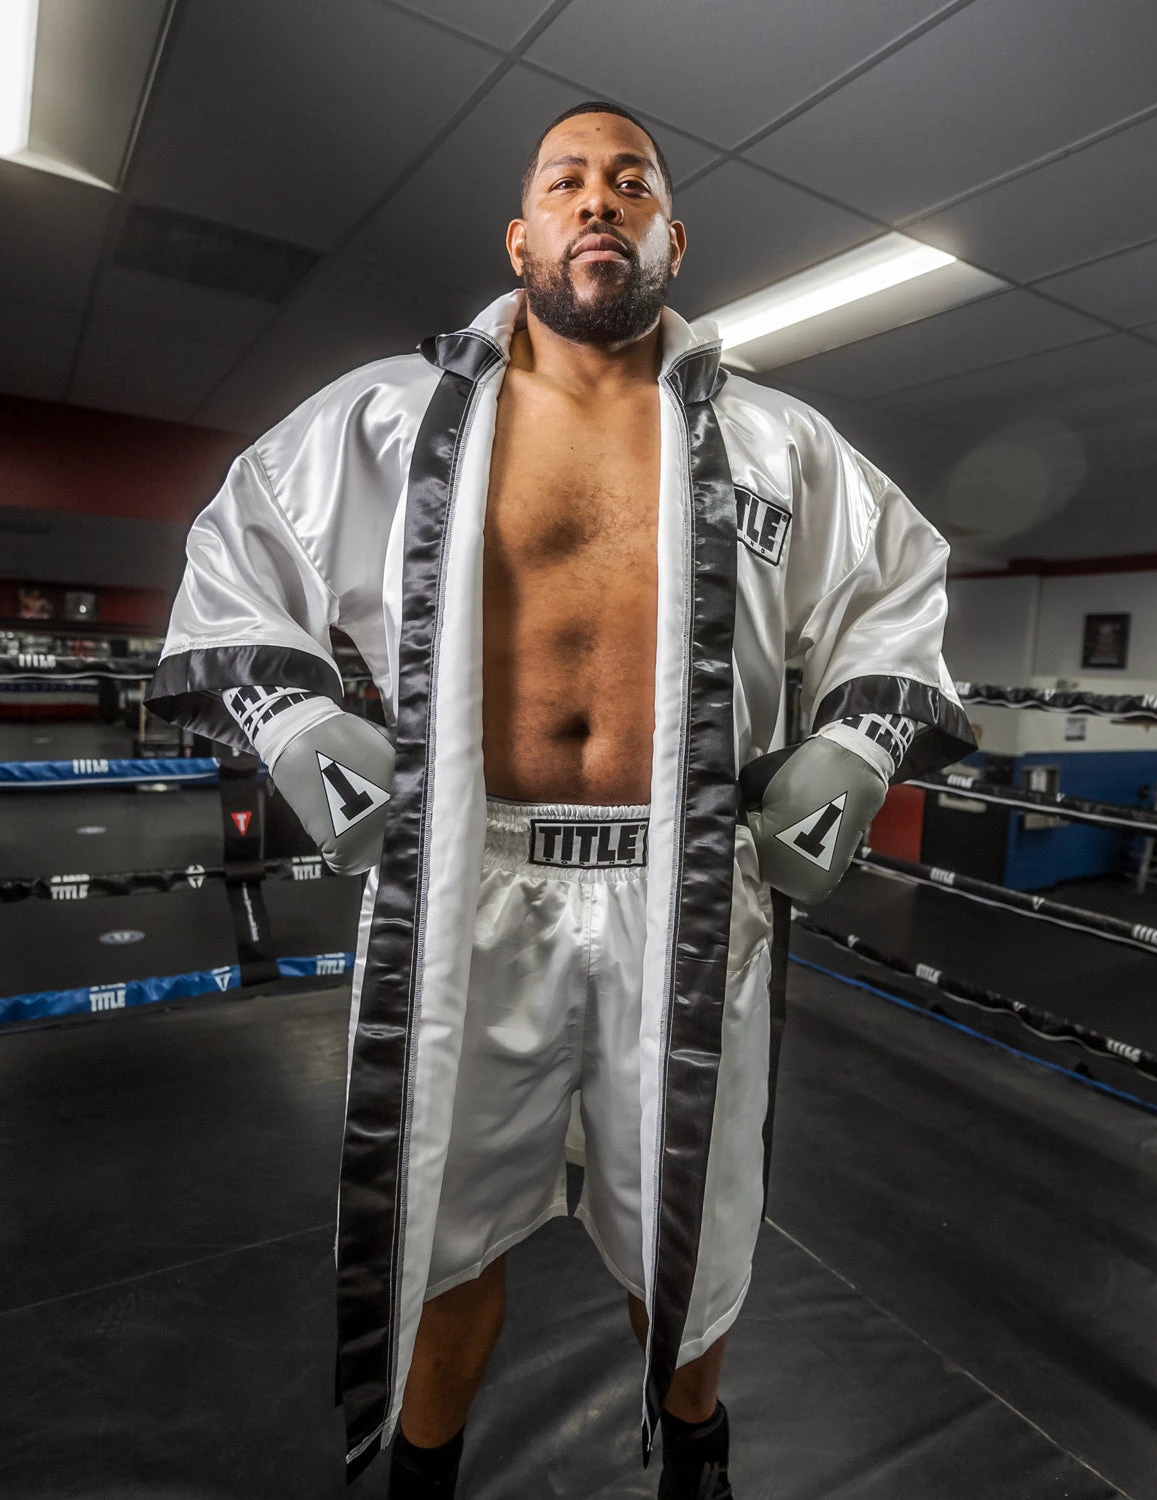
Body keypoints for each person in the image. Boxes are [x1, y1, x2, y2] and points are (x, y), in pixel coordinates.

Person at [147, 102, 974, 1499]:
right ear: (521, 235)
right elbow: (235, 551)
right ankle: (424, 1479)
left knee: (689, 1227)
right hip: (468, 882)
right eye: (568, 181)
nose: (600, 200)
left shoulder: (778, 441)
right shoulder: (390, 417)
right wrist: (290, 719)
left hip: (687, 890)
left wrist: (859, 743)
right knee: (440, 1228)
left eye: (631, 182)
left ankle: (693, 1467)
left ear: (672, 239)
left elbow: (900, 584)